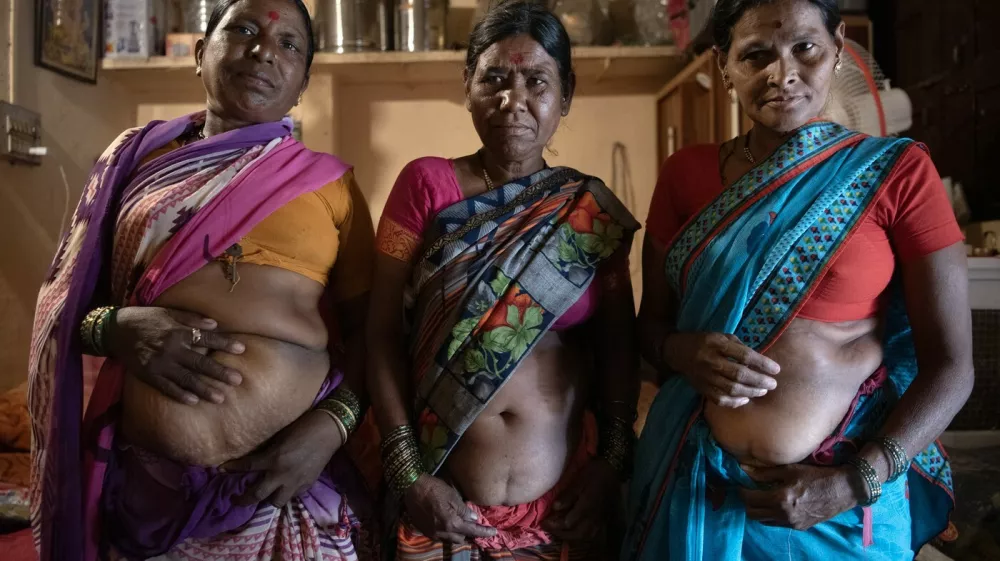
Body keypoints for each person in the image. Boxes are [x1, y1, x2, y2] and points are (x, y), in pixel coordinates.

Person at [27, 0, 378, 559]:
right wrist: (116, 328)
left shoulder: (332, 187)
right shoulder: (136, 162)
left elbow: (373, 335)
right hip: (152, 492)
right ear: (199, 53)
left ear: (303, 82)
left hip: (294, 491)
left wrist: (330, 430)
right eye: (242, 29)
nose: (264, 50)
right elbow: (64, 309)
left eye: (289, 44)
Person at [623, 0, 974, 559]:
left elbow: (952, 367)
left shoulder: (896, 172)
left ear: (837, 45)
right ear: (723, 64)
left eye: (804, 48)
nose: (781, 73)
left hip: (841, 499)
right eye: (755, 54)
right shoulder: (685, 175)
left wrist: (854, 483)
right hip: (700, 486)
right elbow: (650, 329)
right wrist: (680, 350)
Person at [365, 2, 641, 559]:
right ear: (467, 86)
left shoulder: (586, 210)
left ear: (565, 94)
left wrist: (612, 465)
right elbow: (380, 335)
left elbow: (618, 345)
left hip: (564, 510)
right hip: (441, 500)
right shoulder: (426, 185)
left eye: (537, 80)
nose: (513, 100)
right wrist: (407, 475)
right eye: (494, 78)